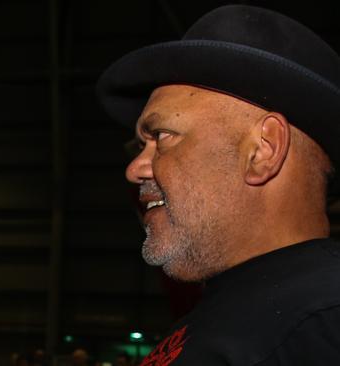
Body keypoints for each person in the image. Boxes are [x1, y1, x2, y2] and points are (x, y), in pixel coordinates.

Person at [97, 5, 340, 366]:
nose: (135, 169)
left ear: (263, 150)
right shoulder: (235, 318)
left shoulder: (318, 328)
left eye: (162, 136)